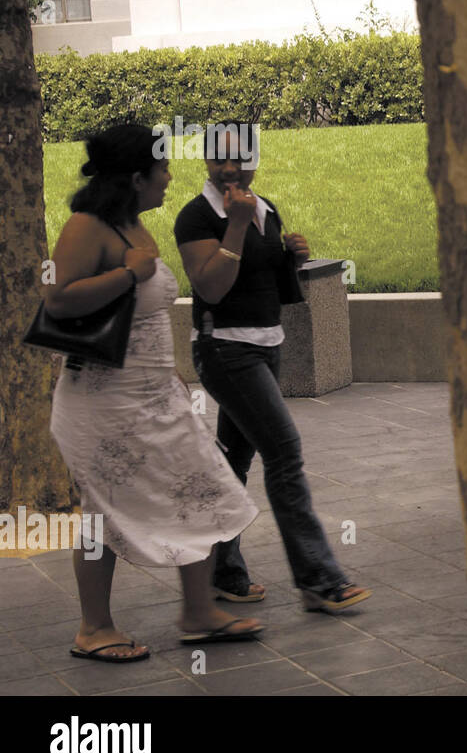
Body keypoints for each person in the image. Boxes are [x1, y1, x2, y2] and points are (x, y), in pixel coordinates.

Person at [45, 123, 266, 663]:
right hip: (102, 404)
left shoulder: (135, 225)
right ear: (136, 176)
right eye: (162, 168)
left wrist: (171, 376)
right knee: (103, 511)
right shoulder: (87, 226)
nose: (171, 178)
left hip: (154, 396)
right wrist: (126, 274)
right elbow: (57, 300)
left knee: (200, 485)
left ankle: (198, 612)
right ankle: (93, 628)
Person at [175, 123, 370, 613]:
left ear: (255, 160)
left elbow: (272, 291)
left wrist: (291, 258)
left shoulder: (266, 209)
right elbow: (212, 289)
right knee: (284, 451)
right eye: (218, 158)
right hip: (224, 349)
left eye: (239, 158)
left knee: (232, 462)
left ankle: (223, 572)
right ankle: (319, 578)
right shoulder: (197, 217)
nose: (228, 168)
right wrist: (237, 226)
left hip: (267, 344)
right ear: (205, 161)